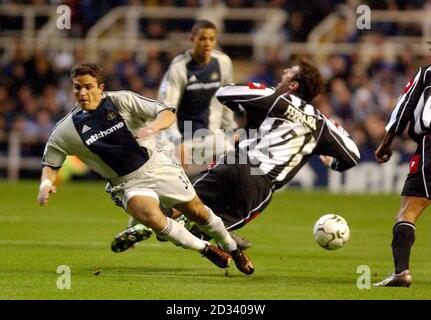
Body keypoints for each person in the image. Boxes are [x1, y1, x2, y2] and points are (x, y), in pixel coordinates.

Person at [110, 58, 361, 255]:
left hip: (235, 162)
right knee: (205, 230)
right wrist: (329, 158)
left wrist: (248, 109)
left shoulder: (273, 98)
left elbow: (225, 92)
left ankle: (147, 224)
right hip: (261, 184)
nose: (284, 72)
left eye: (290, 72)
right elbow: (352, 155)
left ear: (293, 85)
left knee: (189, 202)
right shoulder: (322, 123)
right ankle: (189, 230)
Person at [37, 62, 254, 275]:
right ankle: (206, 249)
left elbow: (167, 112)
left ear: (100, 87)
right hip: (126, 183)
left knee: (198, 213)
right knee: (154, 219)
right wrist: (46, 184)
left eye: (88, 86)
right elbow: (52, 160)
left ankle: (232, 248)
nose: (82, 92)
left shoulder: (121, 101)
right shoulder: (67, 129)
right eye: (77, 87)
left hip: (157, 166)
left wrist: (153, 127)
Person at [374, 63, 431, 287]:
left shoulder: (427, 72)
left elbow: (405, 106)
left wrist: (386, 143)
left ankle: (401, 273)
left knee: (408, 211)